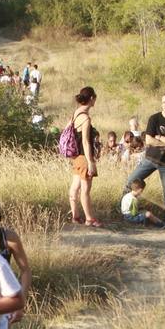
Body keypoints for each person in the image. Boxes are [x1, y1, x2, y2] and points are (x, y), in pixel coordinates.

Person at [123, 92, 165, 217]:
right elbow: (149, 140)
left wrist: (159, 137)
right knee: (130, 181)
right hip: (151, 159)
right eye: (163, 102)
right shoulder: (154, 119)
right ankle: (125, 212)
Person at [67, 86, 102, 227]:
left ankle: (75, 216)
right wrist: (91, 162)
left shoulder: (76, 114)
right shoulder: (85, 118)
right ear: (92, 98)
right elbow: (86, 142)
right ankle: (89, 219)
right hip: (83, 157)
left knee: (75, 186)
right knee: (85, 190)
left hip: (75, 157)